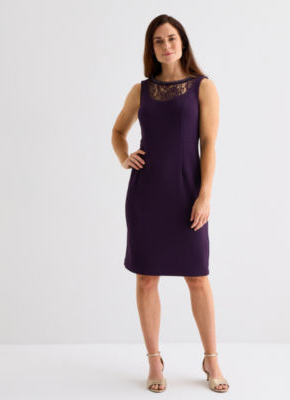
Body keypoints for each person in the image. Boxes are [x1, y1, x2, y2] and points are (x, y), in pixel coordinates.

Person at [111, 14, 229, 393]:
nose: (166, 46)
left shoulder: (203, 87)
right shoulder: (140, 90)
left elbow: (209, 145)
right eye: (158, 41)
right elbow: (118, 131)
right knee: (147, 279)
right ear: (152, 48)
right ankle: (154, 361)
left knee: (197, 277)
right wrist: (124, 156)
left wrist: (205, 195)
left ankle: (211, 359)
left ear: (183, 42)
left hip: (187, 194)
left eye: (172, 38)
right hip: (146, 195)